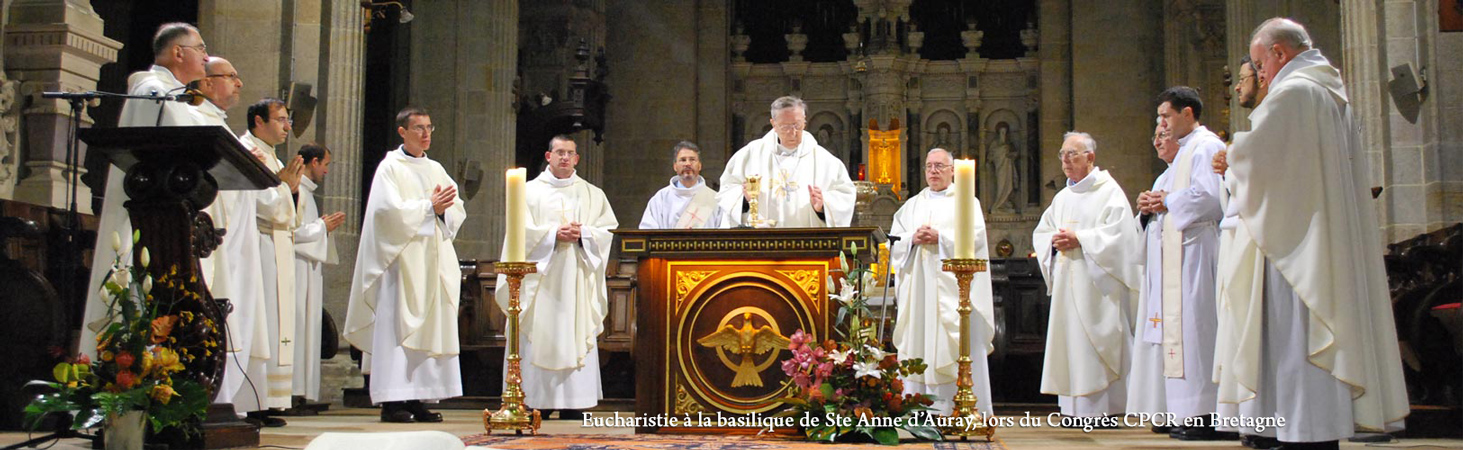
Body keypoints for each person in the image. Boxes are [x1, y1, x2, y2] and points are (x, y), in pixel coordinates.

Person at [1218, 18, 1409, 449]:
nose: (1258, 72)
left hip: (1296, 248)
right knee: (1300, 342)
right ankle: (1305, 428)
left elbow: (1264, 162)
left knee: (1293, 342)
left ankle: (1303, 430)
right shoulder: (1328, 94)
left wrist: (1230, 157)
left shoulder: (1294, 94)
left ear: (1280, 53)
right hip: (1313, 236)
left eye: (1258, 62)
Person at [79, 22, 208, 358]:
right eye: (202, 49)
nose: (207, 58)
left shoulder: (170, 93)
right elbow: (185, 140)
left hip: (165, 215)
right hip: (146, 218)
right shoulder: (153, 90)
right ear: (179, 52)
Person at [344, 107, 465, 423]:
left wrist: (441, 212)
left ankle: (418, 397)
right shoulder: (390, 167)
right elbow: (385, 213)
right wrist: (429, 207)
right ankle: (392, 401)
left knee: (429, 327)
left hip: (431, 262)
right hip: (401, 264)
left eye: (429, 128)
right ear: (402, 132)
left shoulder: (436, 168)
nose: (426, 134)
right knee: (398, 329)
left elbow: (456, 210)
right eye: (419, 128)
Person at [495, 135, 618, 420]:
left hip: (576, 277)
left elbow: (606, 230)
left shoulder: (592, 194)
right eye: (559, 152)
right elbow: (518, 231)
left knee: (574, 329)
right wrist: (553, 234)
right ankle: (538, 399)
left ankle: (573, 401)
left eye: (570, 153)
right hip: (540, 282)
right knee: (539, 332)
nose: (565, 157)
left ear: (577, 159)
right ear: (548, 156)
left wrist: (583, 234)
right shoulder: (528, 192)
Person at [1131, 86, 1227, 441]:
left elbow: (1210, 198)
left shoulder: (1207, 147)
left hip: (1198, 253)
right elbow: (1165, 206)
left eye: (1166, 116)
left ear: (1188, 114)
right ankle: (1183, 412)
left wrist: (1167, 200)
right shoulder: (1181, 157)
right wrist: (1147, 209)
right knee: (1182, 336)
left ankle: (1206, 414)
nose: (1162, 125)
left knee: (1198, 334)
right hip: (1176, 258)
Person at [1032, 132, 1142, 421]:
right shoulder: (1062, 197)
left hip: (1098, 286)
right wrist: (1053, 244)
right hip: (1068, 282)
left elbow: (1121, 237)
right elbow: (1042, 233)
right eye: (1063, 154)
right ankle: (1073, 409)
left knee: (1097, 342)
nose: (1066, 160)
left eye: (1073, 154)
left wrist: (1080, 238)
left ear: (1090, 157)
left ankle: (1103, 409)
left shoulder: (1109, 192)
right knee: (1071, 343)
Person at [889, 147, 995, 417]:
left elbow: (976, 239)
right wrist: (912, 238)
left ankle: (959, 408)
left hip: (954, 292)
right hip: (920, 293)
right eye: (928, 166)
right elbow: (893, 241)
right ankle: (918, 409)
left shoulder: (966, 201)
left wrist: (942, 238)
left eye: (939, 166)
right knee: (920, 342)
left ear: (951, 170)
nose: (933, 171)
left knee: (956, 342)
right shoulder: (912, 204)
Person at [239, 98, 305, 424]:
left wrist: (288, 190)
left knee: (273, 325)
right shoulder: (246, 150)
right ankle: (250, 402)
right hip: (258, 246)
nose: (287, 126)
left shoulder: (270, 154)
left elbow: (288, 212)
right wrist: (284, 187)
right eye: (280, 119)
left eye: (287, 120)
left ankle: (265, 401)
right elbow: (260, 204)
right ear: (258, 121)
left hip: (276, 245)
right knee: (259, 325)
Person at [717, 96, 855, 227]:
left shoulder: (825, 160)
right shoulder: (750, 154)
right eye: (785, 126)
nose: (792, 132)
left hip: (809, 242)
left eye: (797, 125)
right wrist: (744, 199)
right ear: (773, 124)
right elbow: (726, 191)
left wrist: (824, 205)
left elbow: (845, 195)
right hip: (761, 242)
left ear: (805, 122)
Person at [292, 143, 345, 404]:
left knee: (306, 329)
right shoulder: (295, 191)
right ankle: (291, 392)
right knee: (297, 327)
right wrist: (321, 226)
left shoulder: (307, 193)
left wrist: (322, 227)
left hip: (308, 270)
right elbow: (292, 232)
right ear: (313, 162)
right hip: (296, 270)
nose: (326, 171)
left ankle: (301, 392)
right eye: (325, 164)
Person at [639, 141, 720, 229]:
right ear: (675, 166)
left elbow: (724, 234)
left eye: (692, 159)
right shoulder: (660, 199)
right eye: (683, 160)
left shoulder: (715, 199)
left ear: (700, 165)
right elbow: (648, 232)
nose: (687, 164)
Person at [986, 122, 1018, 213]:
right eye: (1001, 132)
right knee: (1000, 185)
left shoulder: (1009, 143)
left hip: (1008, 167)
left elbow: (1015, 153)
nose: (1003, 133)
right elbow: (990, 156)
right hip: (999, 167)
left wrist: (1011, 154)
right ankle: (998, 204)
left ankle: (1005, 203)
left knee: (1009, 185)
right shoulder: (995, 143)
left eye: (1004, 132)